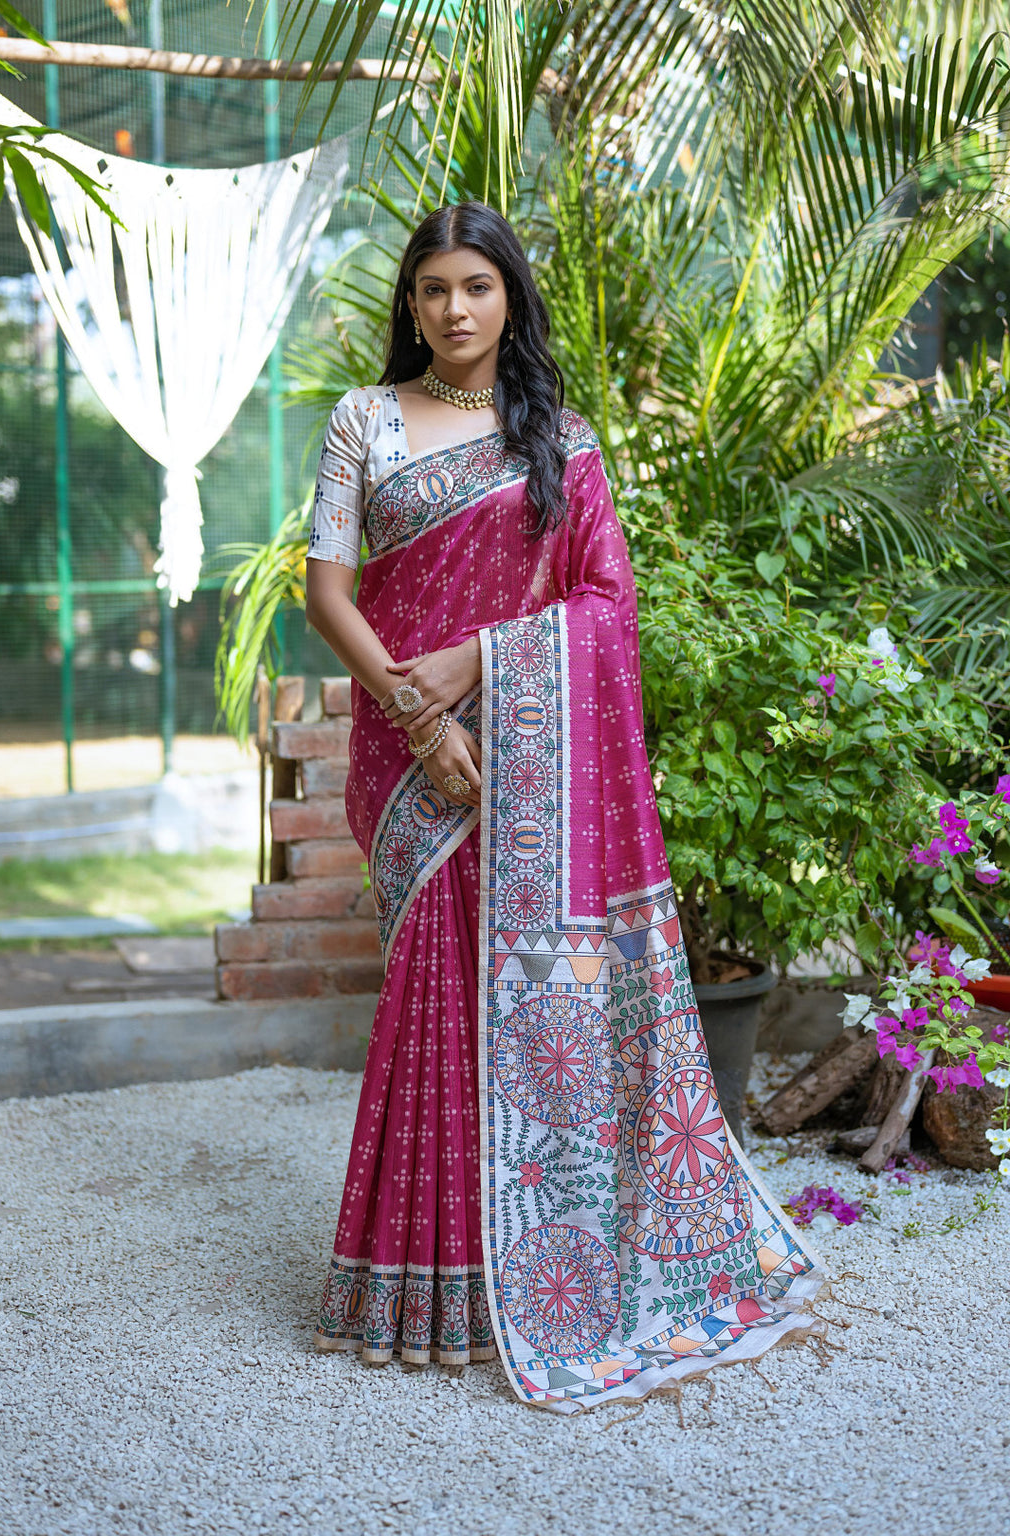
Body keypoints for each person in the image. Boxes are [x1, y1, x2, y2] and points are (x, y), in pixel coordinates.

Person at [304, 202, 830, 1414]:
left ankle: (540, 1271)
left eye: (476, 287)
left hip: (533, 757)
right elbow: (329, 591)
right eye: (432, 288)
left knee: (531, 1010)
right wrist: (421, 719)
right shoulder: (365, 421)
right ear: (410, 303)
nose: (452, 310)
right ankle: (417, 1282)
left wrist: (482, 661)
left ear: (508, 300)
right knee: (435, 993)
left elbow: (606, 604)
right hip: (411, 753)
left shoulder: (563, 441)